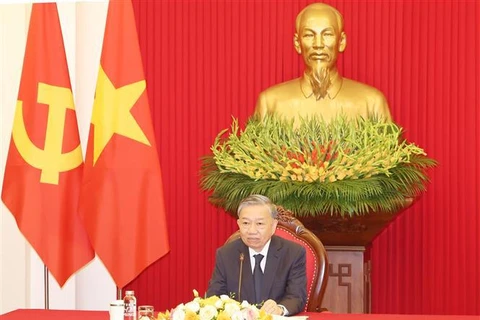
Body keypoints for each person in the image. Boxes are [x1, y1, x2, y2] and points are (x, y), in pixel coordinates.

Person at [254, 3, 392, 125]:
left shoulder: (372, 103)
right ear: (297, 43)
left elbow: (390, 153)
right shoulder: (270, 103)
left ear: (341, 41)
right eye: (309, 35)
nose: (318, 44)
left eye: (327, 35)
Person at [206, 195, 307, 316]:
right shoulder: (226, 254)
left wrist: (279, 309)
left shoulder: (292, 253)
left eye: (259, 223)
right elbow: (215, 297)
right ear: (239, 224)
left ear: (273, 225)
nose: (252, 230)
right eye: (246, 223)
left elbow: (297, 296)